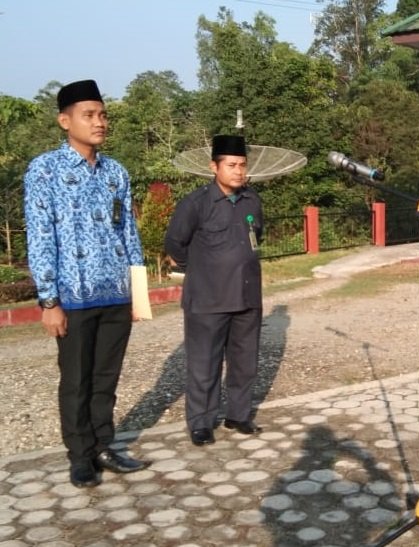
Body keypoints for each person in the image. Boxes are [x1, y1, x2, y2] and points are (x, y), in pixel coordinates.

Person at [24, 79, 149, 488]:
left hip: (115, 294)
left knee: (106, 379)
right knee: (76, 380)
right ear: (65, 121)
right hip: (73, 298)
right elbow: (41, 236)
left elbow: (128, 233)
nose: (99, 122)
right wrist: (49, 301)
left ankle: (104, 446)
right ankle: (80, 456)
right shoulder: (45, 170)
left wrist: (138, 294)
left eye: (103, 115)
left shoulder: (116, 172)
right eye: (89, 115)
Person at [164, 135, 264, 446]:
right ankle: (201, 423)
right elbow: (174, 244)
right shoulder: (196, 203)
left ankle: (238, 415)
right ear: (214, 167)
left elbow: (256, 236)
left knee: (244, 362)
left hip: (246, 295)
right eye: (231, 165)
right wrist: (201, 269)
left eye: (242, 165)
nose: (239, 171)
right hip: (207, 298)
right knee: (204, 364)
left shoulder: (252, 200)